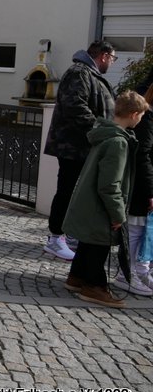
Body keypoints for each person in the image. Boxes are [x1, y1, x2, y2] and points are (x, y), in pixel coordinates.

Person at [63, 91, 148, 308]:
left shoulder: (105, 133)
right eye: (141, 115)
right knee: (99, 244)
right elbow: (110, 184)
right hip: (99, 205)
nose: (141, 119)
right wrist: (118, 214)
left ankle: (76, 277)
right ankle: (94, 286)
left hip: (89, 200)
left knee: (88, 241)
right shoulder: (118, 142)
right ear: (134, 114)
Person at [43, 41, 116, 260]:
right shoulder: (79, 73)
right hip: (73, 147)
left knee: (78, 193)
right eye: (112, 59)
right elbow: (75, 107)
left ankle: (69, 235)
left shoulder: (90, 74)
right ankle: (56, 239)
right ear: (104, 56)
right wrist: (101, 128)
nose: (112, 63)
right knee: (66, 191)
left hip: (84, 146)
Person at [118, 84, 153, 295]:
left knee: (144, 231)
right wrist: (150, 191)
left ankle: (139, 271)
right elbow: (143, 157)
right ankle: (126, 274)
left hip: (145, 183)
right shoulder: (146, 120)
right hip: (140, 185)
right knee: (136, 230)